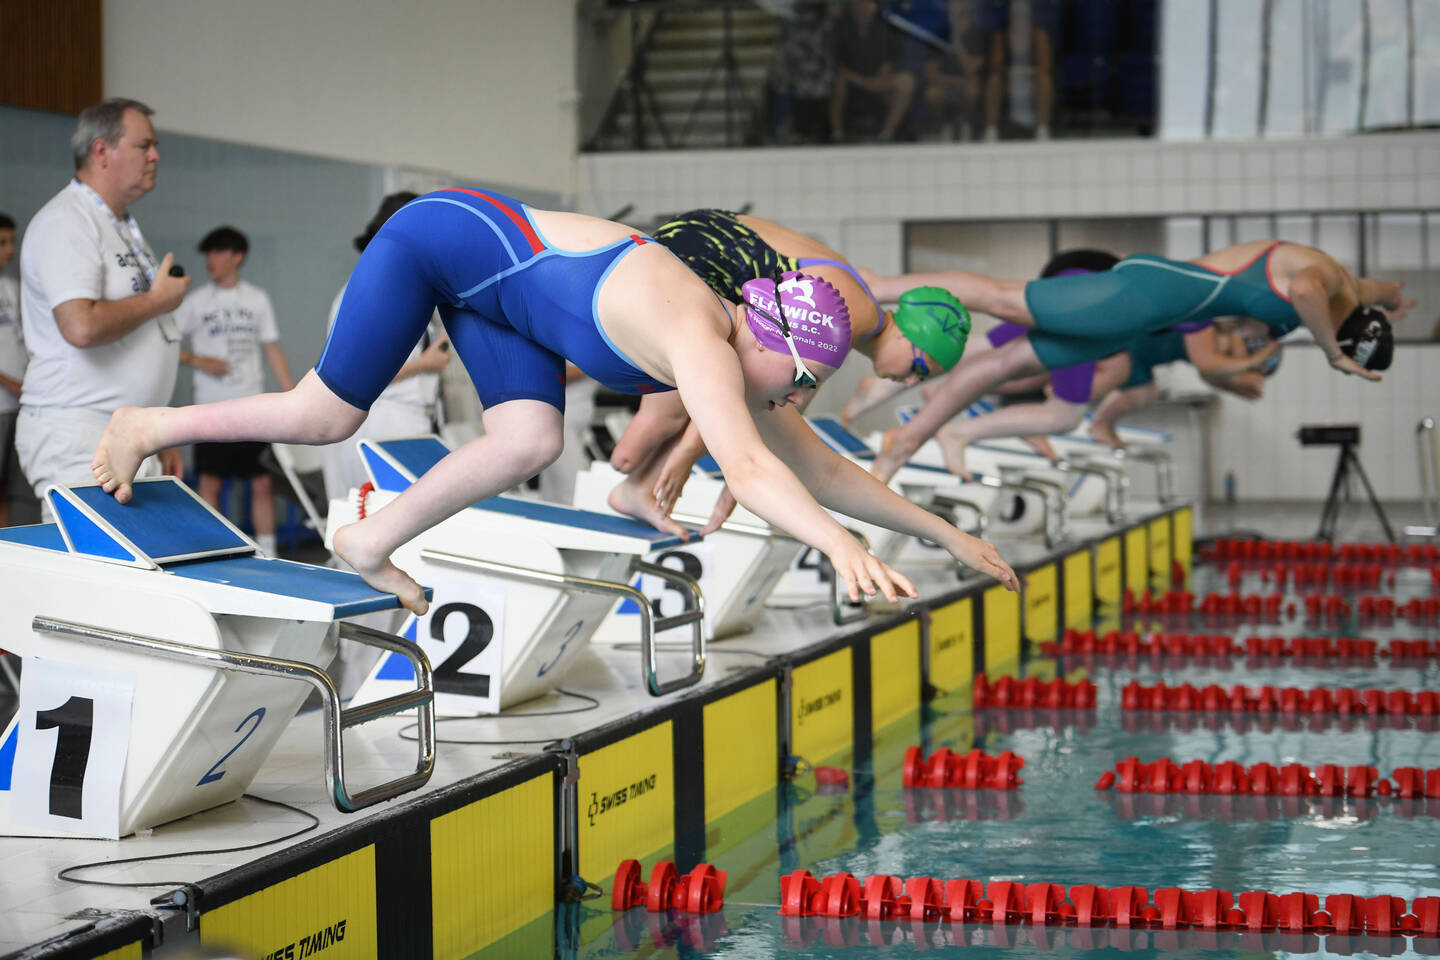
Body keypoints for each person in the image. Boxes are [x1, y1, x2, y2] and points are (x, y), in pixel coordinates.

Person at [91, 189, 1018, 615]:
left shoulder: (751, 346)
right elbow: (750, 468)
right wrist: (838, 544)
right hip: (446, 239)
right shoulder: (700, 333)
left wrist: (943, 533)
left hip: (507, 304)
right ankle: (150, 424)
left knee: (529, 435)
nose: (796, 398)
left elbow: (817, 469)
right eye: (799, 383)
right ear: (770, 341)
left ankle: (369, 540)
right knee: (327, 415)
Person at [862, 239, 1414, 482]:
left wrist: (1395, 300)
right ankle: (881, 284)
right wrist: (1334, 354)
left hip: (1136, 322)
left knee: (1007, 366)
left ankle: (903, 447)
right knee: (1004, 297)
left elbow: (1381, 289)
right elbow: (1306, 296)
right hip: (1144, 296)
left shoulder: (1355, 293)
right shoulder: (1325, 283)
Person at [605, 207, 970, 528]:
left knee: (698, 405)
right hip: (696, 259)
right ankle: (635, 486)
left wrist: (747, 474)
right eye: (918, 369)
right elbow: (751, 398)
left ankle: (638, 487)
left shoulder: (851, 313)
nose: (907, 380)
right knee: (651, 434)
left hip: (693, 244)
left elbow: (778, 411)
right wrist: (690, 456)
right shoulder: (851, 316)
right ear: (911, 337)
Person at [16, 98, 188, 519]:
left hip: (123, 431)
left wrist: (155, 432)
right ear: (101, 151)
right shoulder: (67, 222)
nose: (155, 155)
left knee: (130, 571)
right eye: (143, 145)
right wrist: (157, 301)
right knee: (95, 572)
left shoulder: (119, 225)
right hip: (78, 431)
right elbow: (81, 326)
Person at [320, 192, 451, 502]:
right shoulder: (366, 293)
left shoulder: (408, 293)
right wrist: (425, 364)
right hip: (381, 422)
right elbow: (352, 374)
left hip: (411, 424)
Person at [175, 226, 294, 554]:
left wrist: (291, 393)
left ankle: (269, 554)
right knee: (210, 481)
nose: (210, 260)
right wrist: (199, 360)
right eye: (208, 254)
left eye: (217, 252)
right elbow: (168, 343)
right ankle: (214, 551)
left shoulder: (257, 298)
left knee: (262, 481)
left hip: (252, 407)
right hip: (210, 409)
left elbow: (271, 347)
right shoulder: (195, 302)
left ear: (236, 256)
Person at [830, 0, 917, 141]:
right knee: (838, 82)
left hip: (879, 79)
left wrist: (880, 77)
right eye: (859, 7)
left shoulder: (885, 28)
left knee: (906, 81)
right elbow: (837, 64)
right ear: (853, 9)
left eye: (868, 7)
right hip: (851, 79)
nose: (864, 11)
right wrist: (861, 80)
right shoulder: (842, 28)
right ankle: (837, 134)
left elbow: (892, 58)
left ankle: (887, 134)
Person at [923, 0, 986, 140]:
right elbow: (930, 74)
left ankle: (967, 124)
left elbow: (972, 72)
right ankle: (945, 126)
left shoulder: (977, 34)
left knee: (972, 90)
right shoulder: (939, 35)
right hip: (947, 84)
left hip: (967, 84)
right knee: (932, 93)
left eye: (962, 13)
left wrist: (958, 44)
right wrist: (956, 82)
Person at [0, 213, 23, 527]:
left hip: (20, 404)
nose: (10, 249)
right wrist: (10, 383)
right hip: (5, 400)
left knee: (8, 487)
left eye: (12, 242)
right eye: (2, 242)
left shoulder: (13, 288)